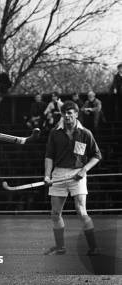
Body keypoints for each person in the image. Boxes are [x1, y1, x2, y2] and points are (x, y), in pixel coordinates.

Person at [44, 101, 102, 256]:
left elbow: (97, 156)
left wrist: (84, 170)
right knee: (55, 214)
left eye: (70, 113)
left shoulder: (85, 133)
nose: (67, 116)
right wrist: (47, 175)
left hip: (78, 174)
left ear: (76, 114)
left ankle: (94, 247)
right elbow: (49, 156)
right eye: (64, 113)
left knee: (81, 211)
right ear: (61, 115)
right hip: (58, 174)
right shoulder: (55, 132)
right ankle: (60, 247)